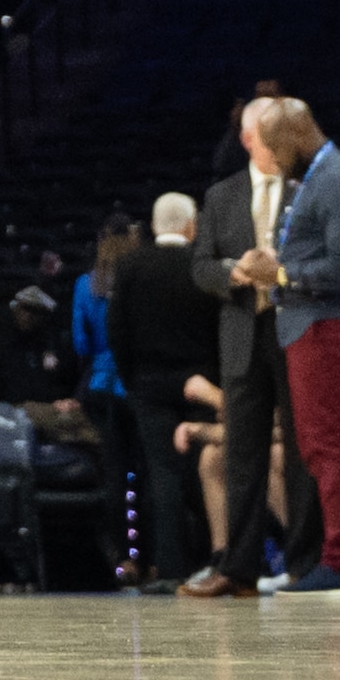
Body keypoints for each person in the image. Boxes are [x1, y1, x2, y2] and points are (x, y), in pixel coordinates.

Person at [179, 101, 308, 596]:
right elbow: (201, 267)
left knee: (301, 451)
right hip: (242, 335)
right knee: (242, 453)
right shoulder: (222, 196)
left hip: (293, 327)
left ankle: (304, 562)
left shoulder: (305, 189)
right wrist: (235, 272)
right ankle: (239, 568)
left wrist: (277, 269)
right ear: (251, 138)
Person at [248, 101, 340, 594]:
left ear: (299, 134)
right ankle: (338, 557)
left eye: (278, 150)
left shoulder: (336, 179)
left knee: (328, 446)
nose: (277, 163)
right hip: (310, 323)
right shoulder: (319, 177)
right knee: (317, 446)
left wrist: (278, 273)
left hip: (325, 324)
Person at [108, 192, 222, 587]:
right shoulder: (202, 266)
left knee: (162, 475)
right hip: (203, 384)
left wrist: (132, 379)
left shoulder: (130, 267)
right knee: (207, 467)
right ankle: (216, 558)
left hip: (150, 384)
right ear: (192, 225)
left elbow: (116, 331)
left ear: (155, 226)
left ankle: (170, 567)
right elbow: (218, 328)